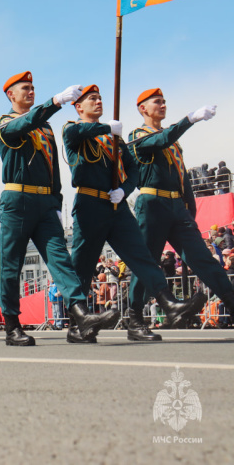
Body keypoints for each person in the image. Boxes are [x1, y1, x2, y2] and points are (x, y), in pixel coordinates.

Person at [64, 84, 203, 342]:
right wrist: (107, 127)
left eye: (100, 97)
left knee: (142, 257)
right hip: (89, 204)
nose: (98, 101)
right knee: (82, 266)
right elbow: (75, 134)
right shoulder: (73, 129)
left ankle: (169, 305)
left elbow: (133, 169)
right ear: (78, 107)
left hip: (116, 206)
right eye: (91, 99)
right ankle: (77, 324)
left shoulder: (113, 138)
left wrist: (125, 190)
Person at [0, 71, 107, 346]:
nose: (31, 92)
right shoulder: (4, 122)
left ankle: (81, 315)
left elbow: (53, 166)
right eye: (25, 88)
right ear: (11, 95)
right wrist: (55, 102)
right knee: (12, 265)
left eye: (33, 88)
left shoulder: (44, 127)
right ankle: (11, 325)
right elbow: (20, 126)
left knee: (60, 260)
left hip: (44, 204)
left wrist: (56, 202)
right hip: (17, 201)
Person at [128, 88, 234, 327]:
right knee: (146, 260)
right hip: (152, 203)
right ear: (143, 108)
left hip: (176, 206)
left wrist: (189, 212)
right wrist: (190, 119)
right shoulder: (139, 135)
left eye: (164, 101)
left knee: (202, 258)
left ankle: (231, 301)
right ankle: (134, 316)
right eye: (157, 102)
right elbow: (161, 140)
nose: (163, 105)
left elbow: (183, 178)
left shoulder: (173, 142)